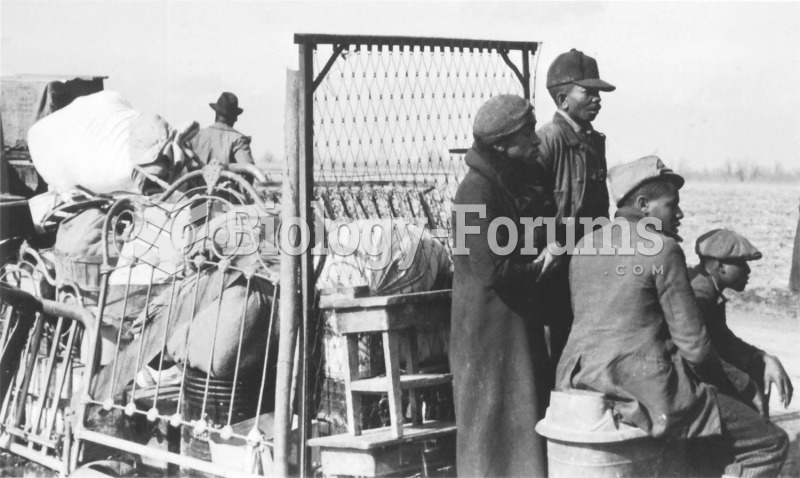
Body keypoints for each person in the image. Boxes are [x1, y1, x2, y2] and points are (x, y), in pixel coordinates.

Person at [556, 155, 789, 477]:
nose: (679, 213)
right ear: (643, 205)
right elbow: (695, 346)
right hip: (641, 388)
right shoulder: (662, 248)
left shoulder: (586, 243)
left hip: (578, 380)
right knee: (769, 443)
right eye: (671, 204)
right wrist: (743, 385)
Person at [450, 94, 558, 477]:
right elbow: (492, 269)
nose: (537, 140)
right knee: (490, 433)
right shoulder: (475, 193)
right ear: (501, 146)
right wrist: (543, 263)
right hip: (486, 332)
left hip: (508, 326)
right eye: (528, 134)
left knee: (517, 432)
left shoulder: (504, 183)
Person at [534, 48, 616, 372]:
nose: (598, 99)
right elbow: (532, 202)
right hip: (557, 263)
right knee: (560, 340)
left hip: (588, 261)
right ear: (563, 99)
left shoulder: (593, 141)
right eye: (589, 92)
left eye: (599, 93)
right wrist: (549, 247)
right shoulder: (548, 139)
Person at [690, 229, 794, 417]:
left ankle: (758, 427)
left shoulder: (709, 288)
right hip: (687, 378)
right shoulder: (700, 296)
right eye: (741, 263)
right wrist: (748, 386)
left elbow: (723, 339)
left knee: (758, 366)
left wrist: (761, 356)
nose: (748, 270)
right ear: (720, 265)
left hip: (698, 369)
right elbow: (701, 355)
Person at [190, 92, 255, 166]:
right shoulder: (238, 139)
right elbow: (248, 171)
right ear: (235, 118)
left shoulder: (195, 135)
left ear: (216, 113)